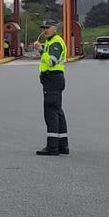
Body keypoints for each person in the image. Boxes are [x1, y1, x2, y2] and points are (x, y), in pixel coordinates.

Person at [34, 20, 69, 156]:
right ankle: (62, 145)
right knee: (57, 111)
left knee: (50, 113)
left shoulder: (55, 42)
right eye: (43, 28)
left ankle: (52, 147)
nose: (45, 30)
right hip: (54, 79)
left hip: (53, 79)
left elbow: (51, 61)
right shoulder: (50, 42)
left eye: (47, 28)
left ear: (55, 28)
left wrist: (40, 50)